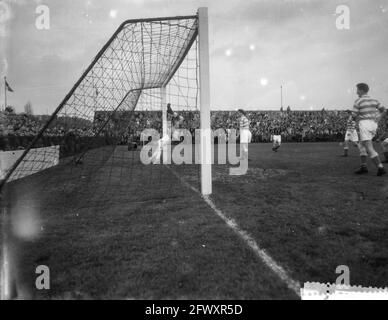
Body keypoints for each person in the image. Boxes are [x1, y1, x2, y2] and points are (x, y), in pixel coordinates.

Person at [352, 83, 386, 176]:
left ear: (362, 90)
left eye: (357, 90)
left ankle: (380, 168)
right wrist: (379, 117)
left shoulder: (358, 101)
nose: (356, 92)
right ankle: (364, 167)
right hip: (374, 124)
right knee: (361, 145)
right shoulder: (374, 100)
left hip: (365, 124)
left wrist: (356, 123)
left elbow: (354, 115)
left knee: (369, 148)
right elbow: (384, 110)